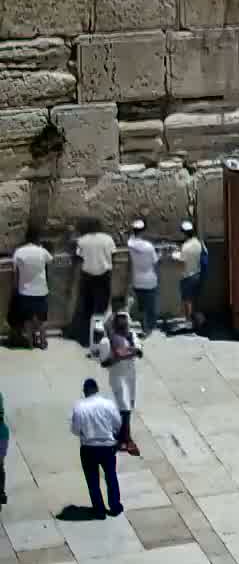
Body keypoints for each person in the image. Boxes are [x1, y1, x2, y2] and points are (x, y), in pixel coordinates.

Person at [71, 377, 123, 518]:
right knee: (111, 476)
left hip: (89, 448)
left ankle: (99, 509)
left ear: (85, 391)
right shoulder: (108, 404)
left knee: (93, 480)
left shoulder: (79, 407)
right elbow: (118, 424)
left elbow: (75, 430)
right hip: (107, 446)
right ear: (97, 389)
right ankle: (115, 506)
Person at [93, 311, 141, 454]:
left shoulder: (131, 336)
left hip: (130, 376)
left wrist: (127, 352)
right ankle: (126, 439)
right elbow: (104, 362)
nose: (124, 328)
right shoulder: (106, 342)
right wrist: (118, 356)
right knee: (124, 407)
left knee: (128, 406)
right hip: (117, 377)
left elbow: (139, 351)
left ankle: (121, 435)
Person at [12, 227, 51, 349]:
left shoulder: (19, 252)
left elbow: (15, 271)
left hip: (24, 291)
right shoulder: (42, 251)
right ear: (37, 239)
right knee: (42, 319)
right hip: (41, 290)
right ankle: (43, 343)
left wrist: (15, 288)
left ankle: (30, 344)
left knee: (27, 319)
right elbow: (50, 261)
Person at [75, 219, 116, 329]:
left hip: (88, 275)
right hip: (104, 275)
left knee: (88, 302)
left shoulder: (82, 240)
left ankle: (88, 328)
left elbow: (79, 257)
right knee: (103, 302)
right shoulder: (108, 239)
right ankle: (100, 327)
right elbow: (113, 255)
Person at [125, 221, 160, 336]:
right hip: (150, 280)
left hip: (137, 280)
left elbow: (131, 239)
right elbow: (155, 262)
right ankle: (148, 329)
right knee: (150, 306)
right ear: (144, 231)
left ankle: (143, 326)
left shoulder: (130, 244)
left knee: (142, 306)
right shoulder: (149, 246)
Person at [175, 221, 208, 330]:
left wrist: (175, 255)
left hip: (187, 276)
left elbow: (181, 261)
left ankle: (189, 322)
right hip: (198, 274)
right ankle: (199, 320)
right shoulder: (198, 243)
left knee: (187, 300)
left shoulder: (185, 247)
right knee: (195, 299)